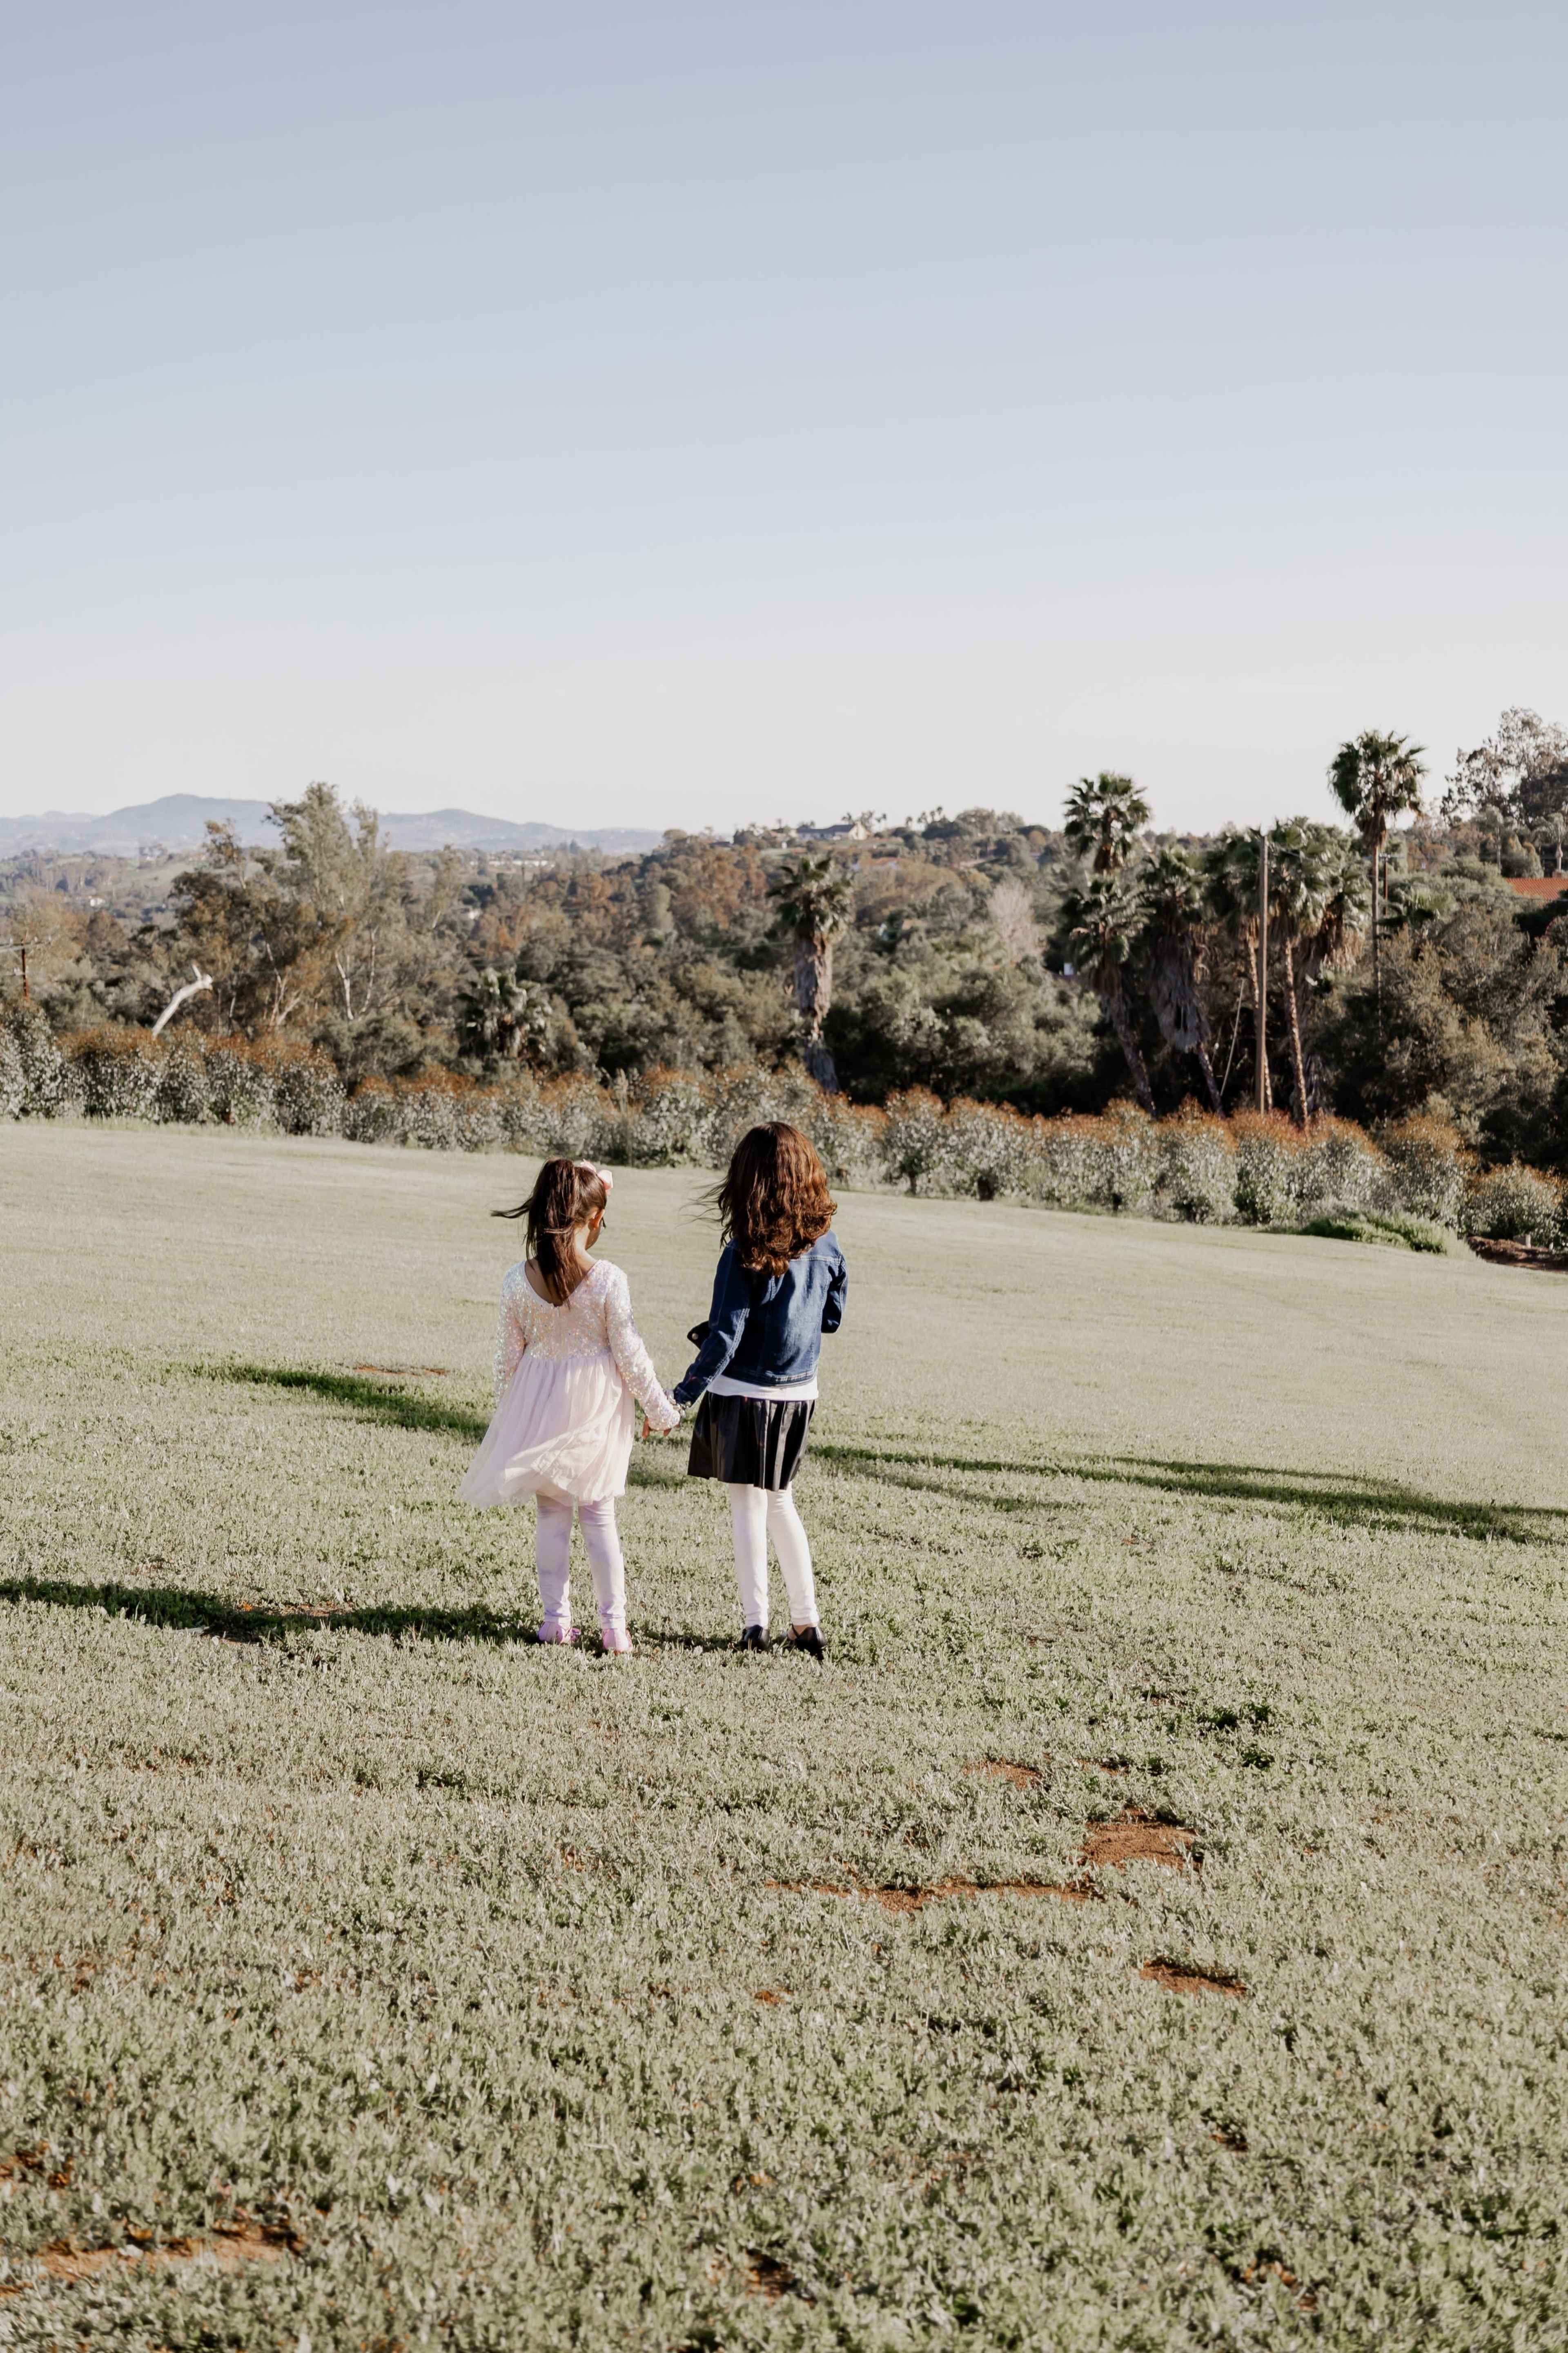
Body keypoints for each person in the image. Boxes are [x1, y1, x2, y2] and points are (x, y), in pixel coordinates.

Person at [460, 1158, 680, 1653]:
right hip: (597, 1411)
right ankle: (614, 1628)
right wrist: (661, 1410)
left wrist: (514, 1418)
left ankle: (555, 1621)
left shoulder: (518, 1281)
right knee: (600, 1517)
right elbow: (631, 1355)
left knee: (552, 1517)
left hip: (540, 1406)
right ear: (595, 1218)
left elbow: (505, 1364)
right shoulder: (608, 1279)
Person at [673, 1122, 846, 1658]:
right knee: (782, 1503)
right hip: (799, 1393)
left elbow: (725, 1336)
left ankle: (755, 1626)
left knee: (746, 1507)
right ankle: (807, 1623)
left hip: (743, 1394)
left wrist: (681, 1395)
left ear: (749, 1182)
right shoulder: (827, 1244)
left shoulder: (744, 1251)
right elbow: (832, 1319)